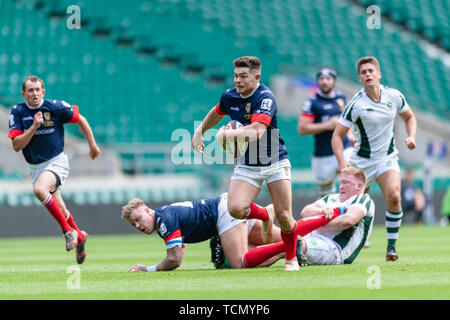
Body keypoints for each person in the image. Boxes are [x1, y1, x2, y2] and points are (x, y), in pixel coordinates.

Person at [191, 56, 299, 271]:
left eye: (243, 76)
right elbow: (217, 111)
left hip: (274, 161)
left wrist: (229, 135)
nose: (238, 81)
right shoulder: (230, 95)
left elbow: (257, 131)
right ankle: (264, 214)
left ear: (256, 77)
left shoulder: (266, 97)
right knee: (235, 209)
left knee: (286, 217)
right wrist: (199, 130)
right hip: (248, 165)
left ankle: (291, 258)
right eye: (235, 76)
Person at [331, 56, 417, 261]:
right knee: (350, 208)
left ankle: (391, 248)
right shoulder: (356, 104)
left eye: (371, 71)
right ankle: (337, 247)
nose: (368, 74)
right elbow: (336, 136)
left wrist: (411, 136)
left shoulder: (394, 96)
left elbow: (410, 117)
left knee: (394, 196)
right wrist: (343, 163)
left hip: (386, 158)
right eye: (364, 72)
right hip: (361, 163)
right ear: (359, 78)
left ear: (379, 74)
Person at [7, 75, 100, 264]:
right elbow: (17, 146)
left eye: (37, 90)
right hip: (35, 167)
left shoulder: (55, 107)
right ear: (23, 93)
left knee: (39, 190)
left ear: (43, 91)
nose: (34, 93)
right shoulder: (17, 112)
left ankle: (67, 232)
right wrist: (34, 127)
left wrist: (93, 146)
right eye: (30, 90)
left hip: (56, 161)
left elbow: (80, 119)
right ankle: (80, 237)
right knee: (62, 209)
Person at [122, 193, 341, 272]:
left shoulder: (164, 220)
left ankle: (286, 250)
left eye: (139, 219)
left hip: (223, 214)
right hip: (225, 205)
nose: (139, 226)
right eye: (134, 225)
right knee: (282, 232)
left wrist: (148, 269)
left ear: (148, 210)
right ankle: (331, 215)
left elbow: (175, 260)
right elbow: (180, 248)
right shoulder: (164, 218)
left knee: (237, 263)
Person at [240, 166, 374, 267]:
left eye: (346, 183)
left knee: (289, 247)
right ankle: (240, 258)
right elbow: (306, 212)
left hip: (334, 249)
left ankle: (242, 262)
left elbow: (348, 220)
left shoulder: (363, 199)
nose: (342, 186)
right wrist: (323, 213)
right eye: (341, 182)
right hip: (311, 237)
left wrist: (323, 219)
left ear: (359, 186)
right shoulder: (332, 198)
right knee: (285, 243)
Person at [298, 67, 354, 197]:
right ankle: (329, 214)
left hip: (344, 148)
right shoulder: (312, 103)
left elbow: (347, 120)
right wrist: (327, 125)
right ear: (318, 81)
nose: (324, 82)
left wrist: (350, 134)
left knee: (351, 179)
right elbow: (302, 129)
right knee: (325, 192)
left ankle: (352, 214)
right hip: (323, 153)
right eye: (321, 79)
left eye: (328, 79)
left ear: (333, 81)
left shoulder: (341, 98)